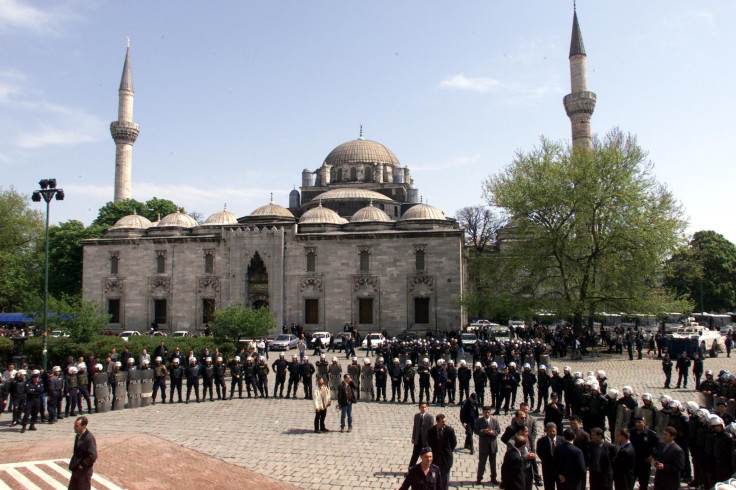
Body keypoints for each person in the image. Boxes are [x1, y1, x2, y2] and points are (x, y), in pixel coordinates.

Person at [426, 413, 457, 490]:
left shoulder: (450, 430)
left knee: (445, 480)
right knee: (434, 479)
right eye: (442, 422)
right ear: (437, 422)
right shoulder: (431, 430)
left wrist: (448, 451)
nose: (444, 423)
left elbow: (453, 443)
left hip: (446, 459)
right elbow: (429, 443)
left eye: (445, 421)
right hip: (435, 459)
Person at [629, 415, 659, 490]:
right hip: (633, 463)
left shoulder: (651, 434)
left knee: (643, 485)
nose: (637, 424)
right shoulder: (632, 432)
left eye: (639, 422)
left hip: (644, 463)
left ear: (644, 423)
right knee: (629, 484)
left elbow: (658, 446)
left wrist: (652, 456)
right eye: (636, 422)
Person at [474, 405, 501, 485]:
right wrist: (483, 431)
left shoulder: (495, 421)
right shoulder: (479, 421)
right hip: (483, 445)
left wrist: (492, 432)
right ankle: (479, 478)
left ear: (490, 412)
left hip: (493, 445)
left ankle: (493, 478)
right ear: (483, 412)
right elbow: (476, 431)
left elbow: (498, 431)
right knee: (482, 463)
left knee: (493, 463)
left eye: (488, 412)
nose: (487, 414)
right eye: (485, 412)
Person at [69, 416, 97, 490]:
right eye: (75, 425)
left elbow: (93, 456)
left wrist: (82, 465)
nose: (74, 428)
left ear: (83, 426)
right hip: (76, 469)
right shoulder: (78, 436)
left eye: (77, 426)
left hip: (84, 472)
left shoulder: (89, 438)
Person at [537, 422, 563, 490]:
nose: (552, 433)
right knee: (549, 486)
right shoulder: (541, 441)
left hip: (560, 468)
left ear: (556, 431)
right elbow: (539, 452)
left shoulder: (561, 440)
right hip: (548, 468)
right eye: (550, 431)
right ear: (547, 431)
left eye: (553, 431)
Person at [410, 402, 435, 468]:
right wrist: (413, 437)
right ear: (419, 408)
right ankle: (411, 468)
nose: (423, 409)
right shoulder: (417, 416)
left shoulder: (429, 417)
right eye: (422, 407)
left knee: (426, 455)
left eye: (425, 407)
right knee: (415, 454)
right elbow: (415, 427)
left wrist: (429, 440)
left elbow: (431, 430)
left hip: (425, 440)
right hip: (418, 438)